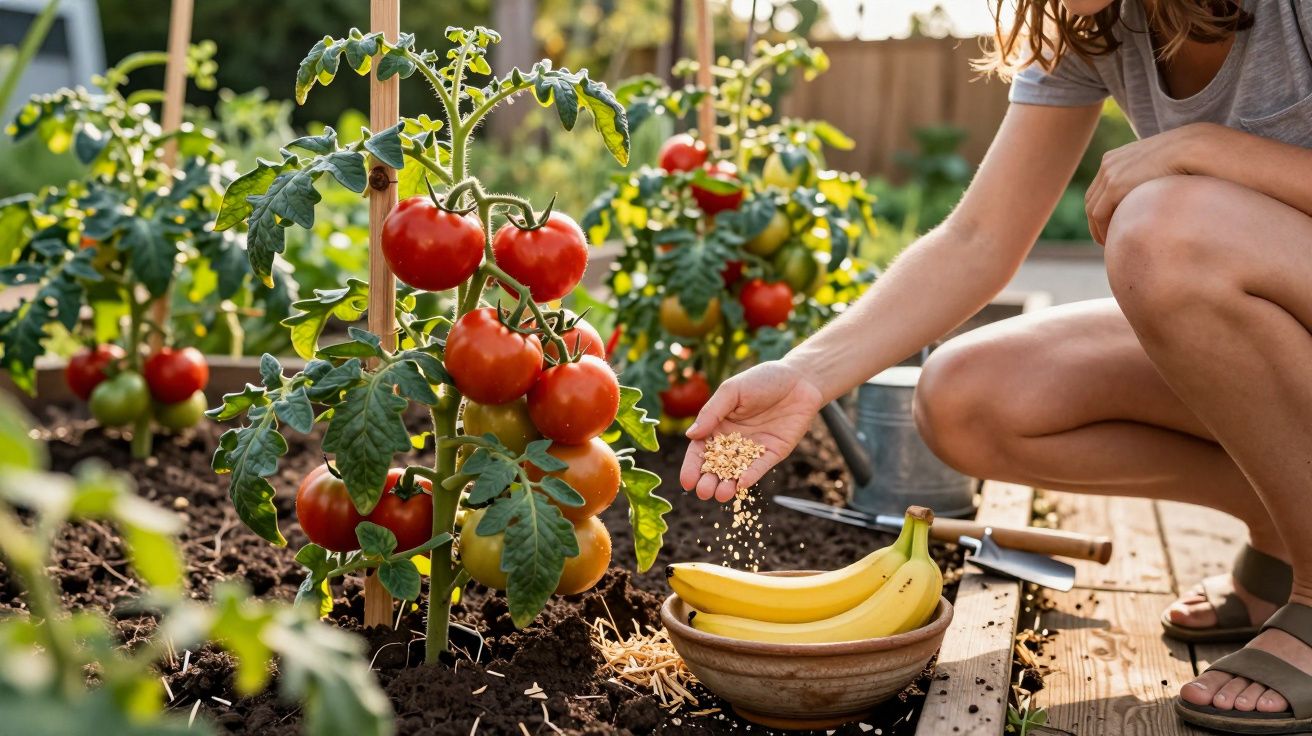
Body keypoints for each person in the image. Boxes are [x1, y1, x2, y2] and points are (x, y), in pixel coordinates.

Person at [678, 0, 1312, 732]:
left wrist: (1206, 149)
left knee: (1165, 234)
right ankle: (1287, 534)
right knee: (967, 396)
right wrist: (808, 373)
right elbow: (980, 237)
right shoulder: (1090, 20)